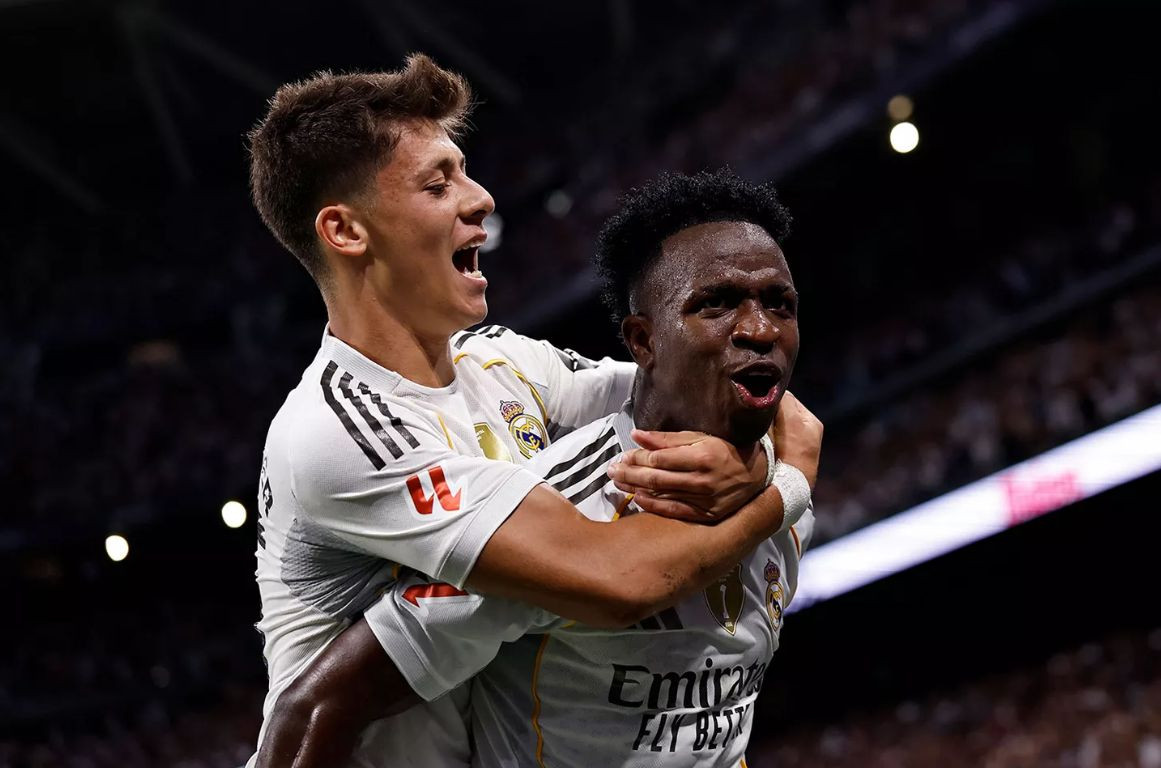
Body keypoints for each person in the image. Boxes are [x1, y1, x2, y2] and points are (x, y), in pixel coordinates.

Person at [245, 55, 823, 767]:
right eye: (438, 183)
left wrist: (753, 458)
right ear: (345, 231)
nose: (481, 198)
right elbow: (617, 580)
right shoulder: (335, 430)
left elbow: (711, 380)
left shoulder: (504, 363)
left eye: (465, 172)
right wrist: (784, 487)